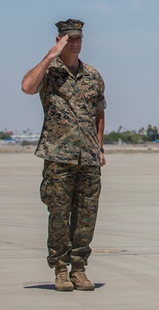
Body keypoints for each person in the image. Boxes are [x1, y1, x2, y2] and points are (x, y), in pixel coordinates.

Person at [21, 19, 106, 292]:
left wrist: (99, 147)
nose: (75, 43)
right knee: (58, 215)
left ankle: (79, 268)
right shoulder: (49, 72)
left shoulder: (93, 75)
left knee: (85, 216)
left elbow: (99, 112)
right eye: (69, 38)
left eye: (78, 38)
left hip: (88, 158)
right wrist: (50, 56)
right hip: (58, 157)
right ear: (59, 39)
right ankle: (59, 267)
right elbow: (27, 87)